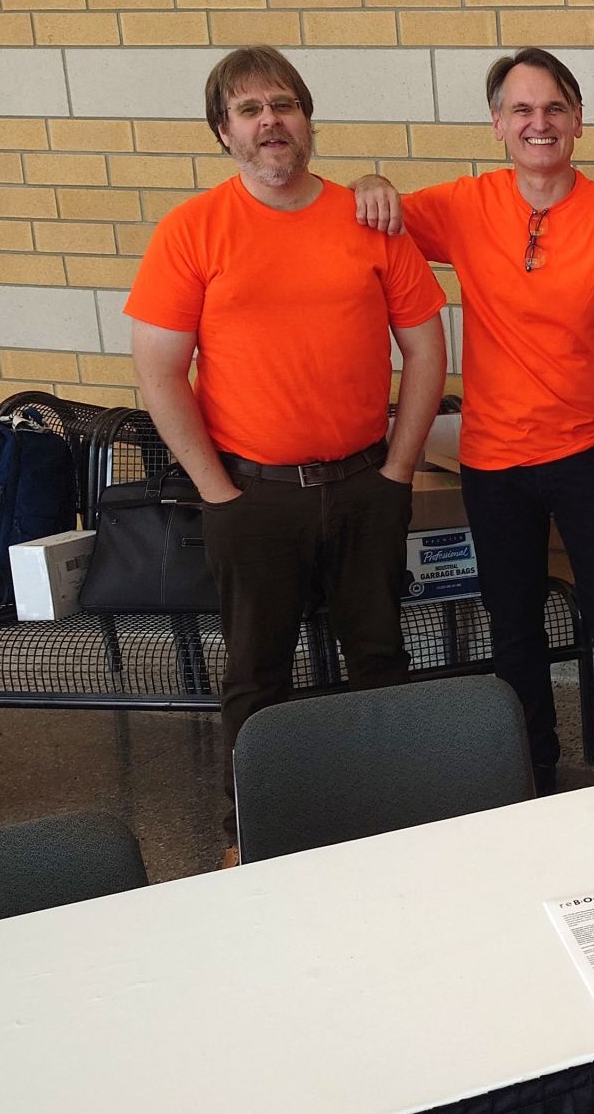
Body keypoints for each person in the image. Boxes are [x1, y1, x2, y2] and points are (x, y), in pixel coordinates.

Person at [353, 47, 594, 793]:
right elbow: (375, 219)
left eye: (553, 109)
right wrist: (373, 183)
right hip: (493, 459)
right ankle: (529, 773)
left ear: (577, 121)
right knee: (513, 626)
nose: (538, 123)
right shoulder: (464, 204)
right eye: (521, 110)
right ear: (497, 127)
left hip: (591, 452)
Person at [126, 45, 449, 764]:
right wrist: (218, 491)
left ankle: (397, 811)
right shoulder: (191, 230)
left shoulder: (367, 219)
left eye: (284, 105)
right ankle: (252, 836)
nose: (271, 121)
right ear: (223, 131)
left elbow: (427, 352)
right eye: (250, 110)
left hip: (366, 486)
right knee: (255, 677)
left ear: (307, 119)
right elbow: (159, 374)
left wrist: (397, 474)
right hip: (252, 495)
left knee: (381, 661)